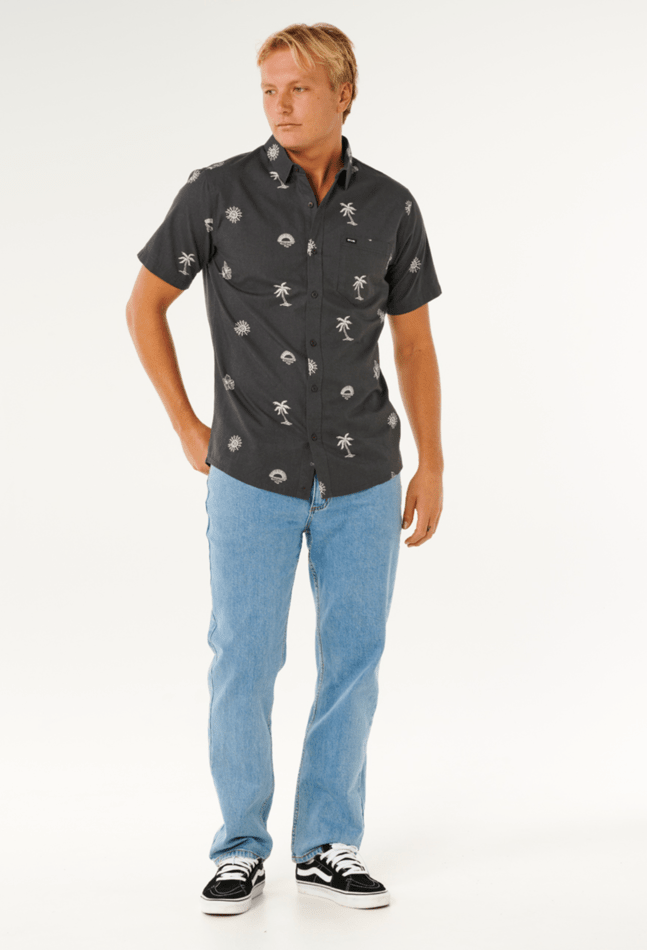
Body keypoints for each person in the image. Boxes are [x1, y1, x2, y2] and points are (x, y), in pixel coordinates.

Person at [126, 22, 444, 914]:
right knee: (244, 659)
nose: (280, 105)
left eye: (298, 88)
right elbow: (145, 304)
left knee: (354, 660)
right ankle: (239, 847)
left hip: (364, 477)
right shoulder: (216, 194)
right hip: (248, 475)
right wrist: (185, 423)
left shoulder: (392, 206)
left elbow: (414, 347)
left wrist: (433, 462)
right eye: (269, 89)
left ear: (344, 92)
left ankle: (328, 843)